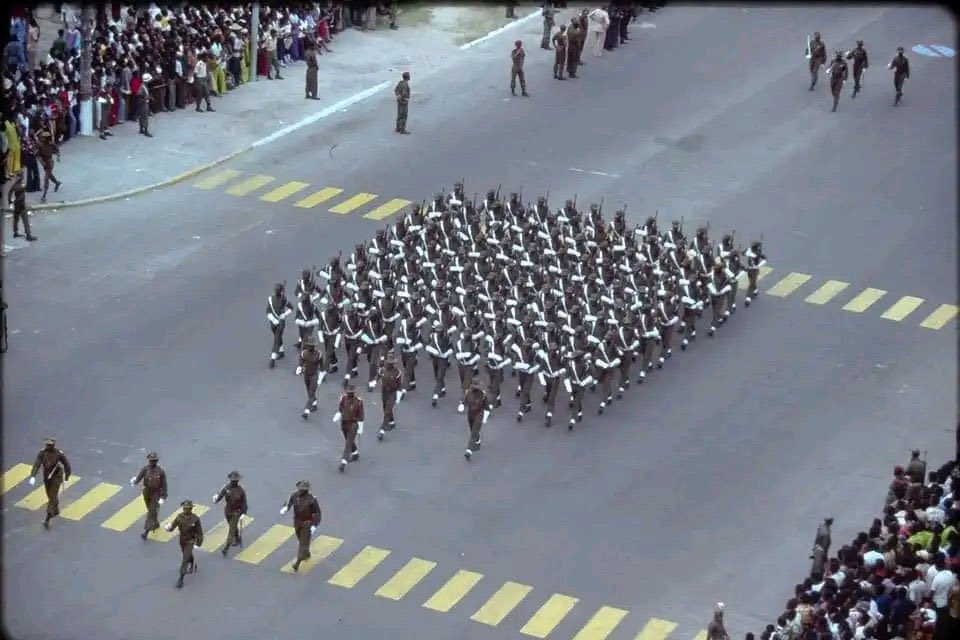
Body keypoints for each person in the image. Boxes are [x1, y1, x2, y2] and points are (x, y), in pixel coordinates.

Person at [29, 437, 72, 529]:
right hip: (47, 477)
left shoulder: (58, 454)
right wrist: (33, 475)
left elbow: (67, 464)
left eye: (50, 445)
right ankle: (55, 509)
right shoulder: (42, 453)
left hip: (56, 477)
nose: (48, 447)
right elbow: (37, 464)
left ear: (53, 445)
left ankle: (47, 518)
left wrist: (67, 476)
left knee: (52, 496)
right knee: (49, 494)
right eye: (47, 445)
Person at [280, 480, 321, 572]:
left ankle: (297, 563)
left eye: (302, 490)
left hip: (307, 523)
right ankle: (306, 553)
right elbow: (288, 503)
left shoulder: (312, 500)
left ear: (306, 491)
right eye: (299, 489)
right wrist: (285, 508)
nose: (300, 491)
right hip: (297, 522)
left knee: (303, 543)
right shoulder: (294, 495)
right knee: (300, 539)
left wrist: (314, 525)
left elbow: (317, 513)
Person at [164, 500, 203, 589]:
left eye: (188, 508)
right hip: (182, 540)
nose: (186, 510)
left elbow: (200, 532)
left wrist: (198, 543)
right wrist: (168, 528)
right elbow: (173, 526)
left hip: (190, 541)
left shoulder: (195, 519)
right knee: (187, 555)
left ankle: (181, 578)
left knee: (185, 559)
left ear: (191, 509)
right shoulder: (179, 517)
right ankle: (193, 563)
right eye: (185, 508)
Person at [129, 452, 168, 539]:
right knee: (150, 509)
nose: (152, 462)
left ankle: (146, 531)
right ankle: (155, 523)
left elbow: (164, 485)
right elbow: (139, 477)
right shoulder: (145, 469)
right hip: (147, 492)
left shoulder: (160, 472)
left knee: (151, 512)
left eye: (153, 461)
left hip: (156, 493)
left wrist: (163, 496)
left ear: (156, 461)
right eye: (150, 461)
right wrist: (135, 482)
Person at [212, 471, 247, 556]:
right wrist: (216, 499)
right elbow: (220, 497)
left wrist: (243, 513)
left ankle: (226, 548)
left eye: (236, 480)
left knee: (231, 530)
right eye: (233, 480)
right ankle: (238, 538)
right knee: (233, 527)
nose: (234, 481)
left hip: (236, 513)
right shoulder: (226, 488)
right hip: (227, 511)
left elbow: (244, 503)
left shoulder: (241, 491)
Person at [333, 382, 364, 472]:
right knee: (348, 440)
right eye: (348, 392)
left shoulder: (358, 401)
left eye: (351, 392)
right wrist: (338, 415)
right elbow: (341, 408)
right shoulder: (343, 398)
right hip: (344, 422)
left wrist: (361, 427)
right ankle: (355, 452)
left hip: (353, 424)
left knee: (348, 443)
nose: (349, 393)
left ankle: (343, 461)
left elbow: (361, 415)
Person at [378, 353, 402, 440]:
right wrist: (374, 382)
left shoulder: (397, 372)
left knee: (388, 410)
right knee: (385, 407)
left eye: (391, 363)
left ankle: (382, 430)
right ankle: (391, 421)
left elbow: (399, 385)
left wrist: (398, 396)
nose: (389, 364)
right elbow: (379, 376)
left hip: (393, 392)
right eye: (388, 362)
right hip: (384, 391)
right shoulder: (382, 370)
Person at [464, 379, 489, 460]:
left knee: (474, 432)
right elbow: (465, 401)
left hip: (479, 414)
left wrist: (485, 418)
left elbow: (487, 408)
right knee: (472, 429)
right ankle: (477, 440)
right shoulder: (468, 393)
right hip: (470, 414)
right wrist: (462, 405)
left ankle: (469, 450)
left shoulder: (483, 395)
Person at [300, 333, 321, 419]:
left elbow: (322, 367)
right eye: (309, 345)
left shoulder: (319, 354)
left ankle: (306, 411)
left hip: (314, 375)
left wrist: (320, 378)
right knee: (309, 391)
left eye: (312, 345)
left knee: (311, 392)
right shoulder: (304, 353)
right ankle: (314, 403)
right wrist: (299, 368)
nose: (311, 347)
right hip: (306, 374)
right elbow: (301, 362)